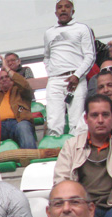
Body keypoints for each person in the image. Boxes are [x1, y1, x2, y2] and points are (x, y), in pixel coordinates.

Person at [53, 94, 112, 217]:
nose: (100, 120)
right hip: (83, 206)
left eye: (105, 115)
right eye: (94, 115)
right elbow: (61, 182)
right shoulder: (72, 146)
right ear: (86, 119)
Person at [43, 0, 95, 136]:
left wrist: (77, 76)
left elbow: (90, 56)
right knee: (53, 122)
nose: (63, 10)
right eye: (60, 7)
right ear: (56, 13)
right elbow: (47, 57)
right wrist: (52, 73)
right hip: (55, 80)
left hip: (76, 79)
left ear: (73, 11)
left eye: (67, 7)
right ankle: (58, 153)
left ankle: (77, 154)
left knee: (77, 124)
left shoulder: (82, 28)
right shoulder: (49, 32)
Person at [0, 53, 38, 149]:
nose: (4, 79)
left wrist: (6, 67)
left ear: (13, 79)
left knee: (23, 127)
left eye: (7, 77)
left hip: (18, 123)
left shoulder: (21, 91)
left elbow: (24, 84)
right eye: (1, 78)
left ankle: (30, 159)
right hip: (0, 126)